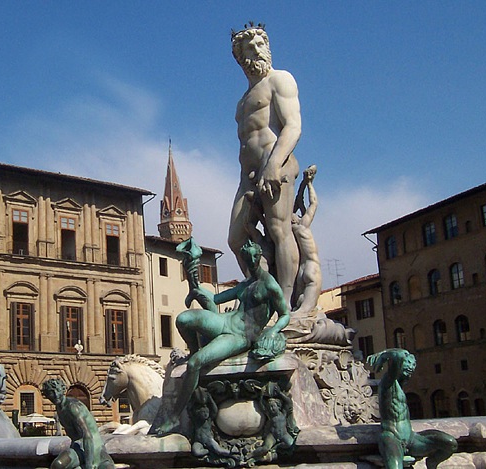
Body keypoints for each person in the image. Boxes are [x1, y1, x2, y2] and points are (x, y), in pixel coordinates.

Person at [154, 240, 290, 435]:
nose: (250, 261)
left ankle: (174, 418)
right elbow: (216, 299)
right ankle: (194, 349)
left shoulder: (270, 285)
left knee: (195, 364)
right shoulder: (246, 284)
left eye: (253, 256)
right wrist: (194, 282)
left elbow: (285, 314)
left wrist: (273, 330)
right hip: (225, 321)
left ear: (259, 257)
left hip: (241, 335)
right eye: (246, 257)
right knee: (183, 319)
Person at [227, 23, 302, 305]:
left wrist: (273, 165)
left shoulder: (280, 80)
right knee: (236, 239)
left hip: (276, 163)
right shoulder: (243, 100)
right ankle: (263, 293)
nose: (257, 51)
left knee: (279, 230)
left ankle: (284, 302)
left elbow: (293, 126)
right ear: (240, 56)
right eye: (250, 47)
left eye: (261, 45)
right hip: (247, 176)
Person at [367, 349, 457, 469]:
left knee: (450, 444)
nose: (411, 367)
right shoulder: (388, 383)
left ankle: (432, 464)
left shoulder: (399, 386)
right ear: (398, 365)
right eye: (407, 363)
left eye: (413, 365)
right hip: (392, 437)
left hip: (411, 439)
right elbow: (398, 356)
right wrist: (383, 356)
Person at [41, 379, 114, 469]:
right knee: (57, 465)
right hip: (78, 448)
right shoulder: (59, 409)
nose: (56, 395)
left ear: (63, 390)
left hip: (94, 449)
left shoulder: (73, 407)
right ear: (47, 396)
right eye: (51, 393)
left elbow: (87, 436)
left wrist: (88, 465)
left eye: (58, 390)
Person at [290, 165, 321, 315]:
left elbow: (299, 202)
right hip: (311, 266)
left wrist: (303, 184)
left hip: (300, 272)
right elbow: (313, 203)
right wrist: (309, 184)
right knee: (304, 311)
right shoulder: (303, 225)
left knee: (298, 310)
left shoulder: (289, 231)